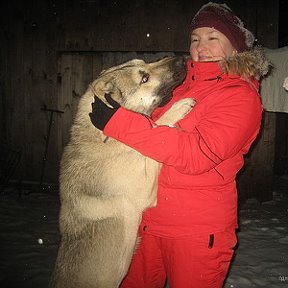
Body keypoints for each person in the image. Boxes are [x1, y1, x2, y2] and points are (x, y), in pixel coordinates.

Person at [89, 2, 269, 287]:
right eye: (195, 39)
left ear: (235, 48)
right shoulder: (177, 86)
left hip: (196, 232)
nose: (201, 47)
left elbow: (197, 153)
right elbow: (147, 135)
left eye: (213, 38)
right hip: (145, 221)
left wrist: (119, 123)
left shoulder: (240, 97)